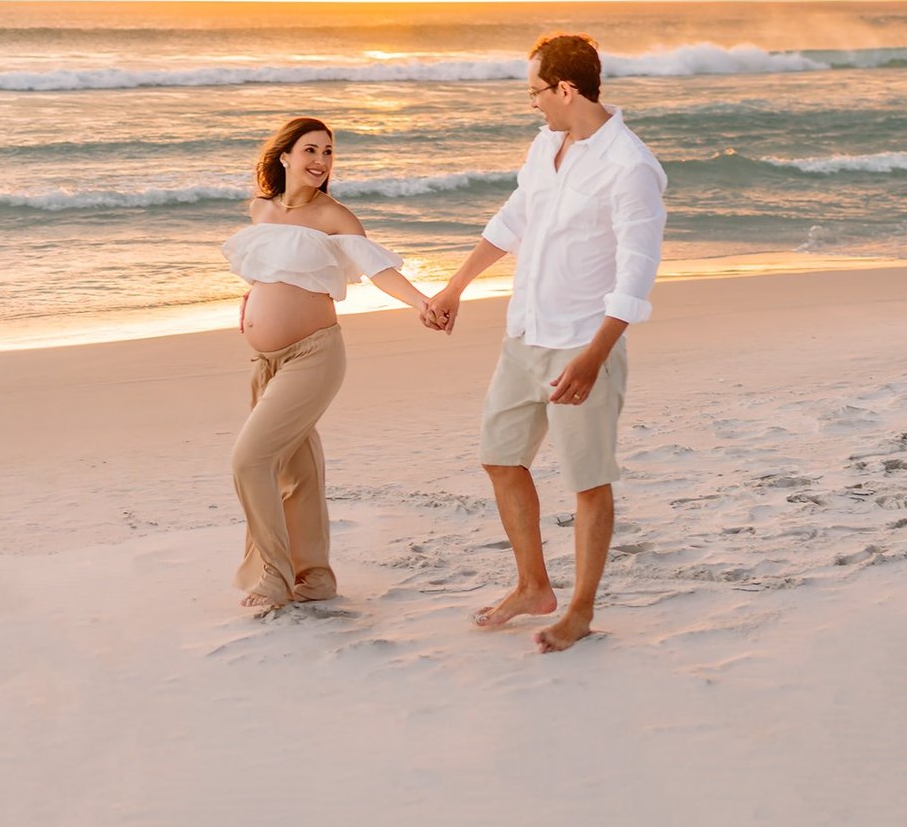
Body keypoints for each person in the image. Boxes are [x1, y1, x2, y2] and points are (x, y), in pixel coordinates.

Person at [424, 33, 666, 652]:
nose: (530, 103)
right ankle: (534, 586)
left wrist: (595, 356)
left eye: (534, 91)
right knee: (500, 457)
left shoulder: (630, 167)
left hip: (583, 343)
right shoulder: (545, 146)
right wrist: (454, 286)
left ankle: (579, 610)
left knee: (587, 480)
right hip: (525, 333)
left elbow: (637, 270)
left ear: (566, 89)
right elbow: (513, 220)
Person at [222, 116, 440, 611]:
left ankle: (274, 576)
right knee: (296, 472)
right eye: (311, 151)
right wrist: (251, 298)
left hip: (314, 354)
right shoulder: (262, 210)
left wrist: (421, 302)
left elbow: (378, 270)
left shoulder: (334, 216)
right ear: (285, 157)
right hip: (266, 359)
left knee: (249, 460)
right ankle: (315, 577)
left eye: (328, 152)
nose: (320, 161)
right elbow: (274, 267)